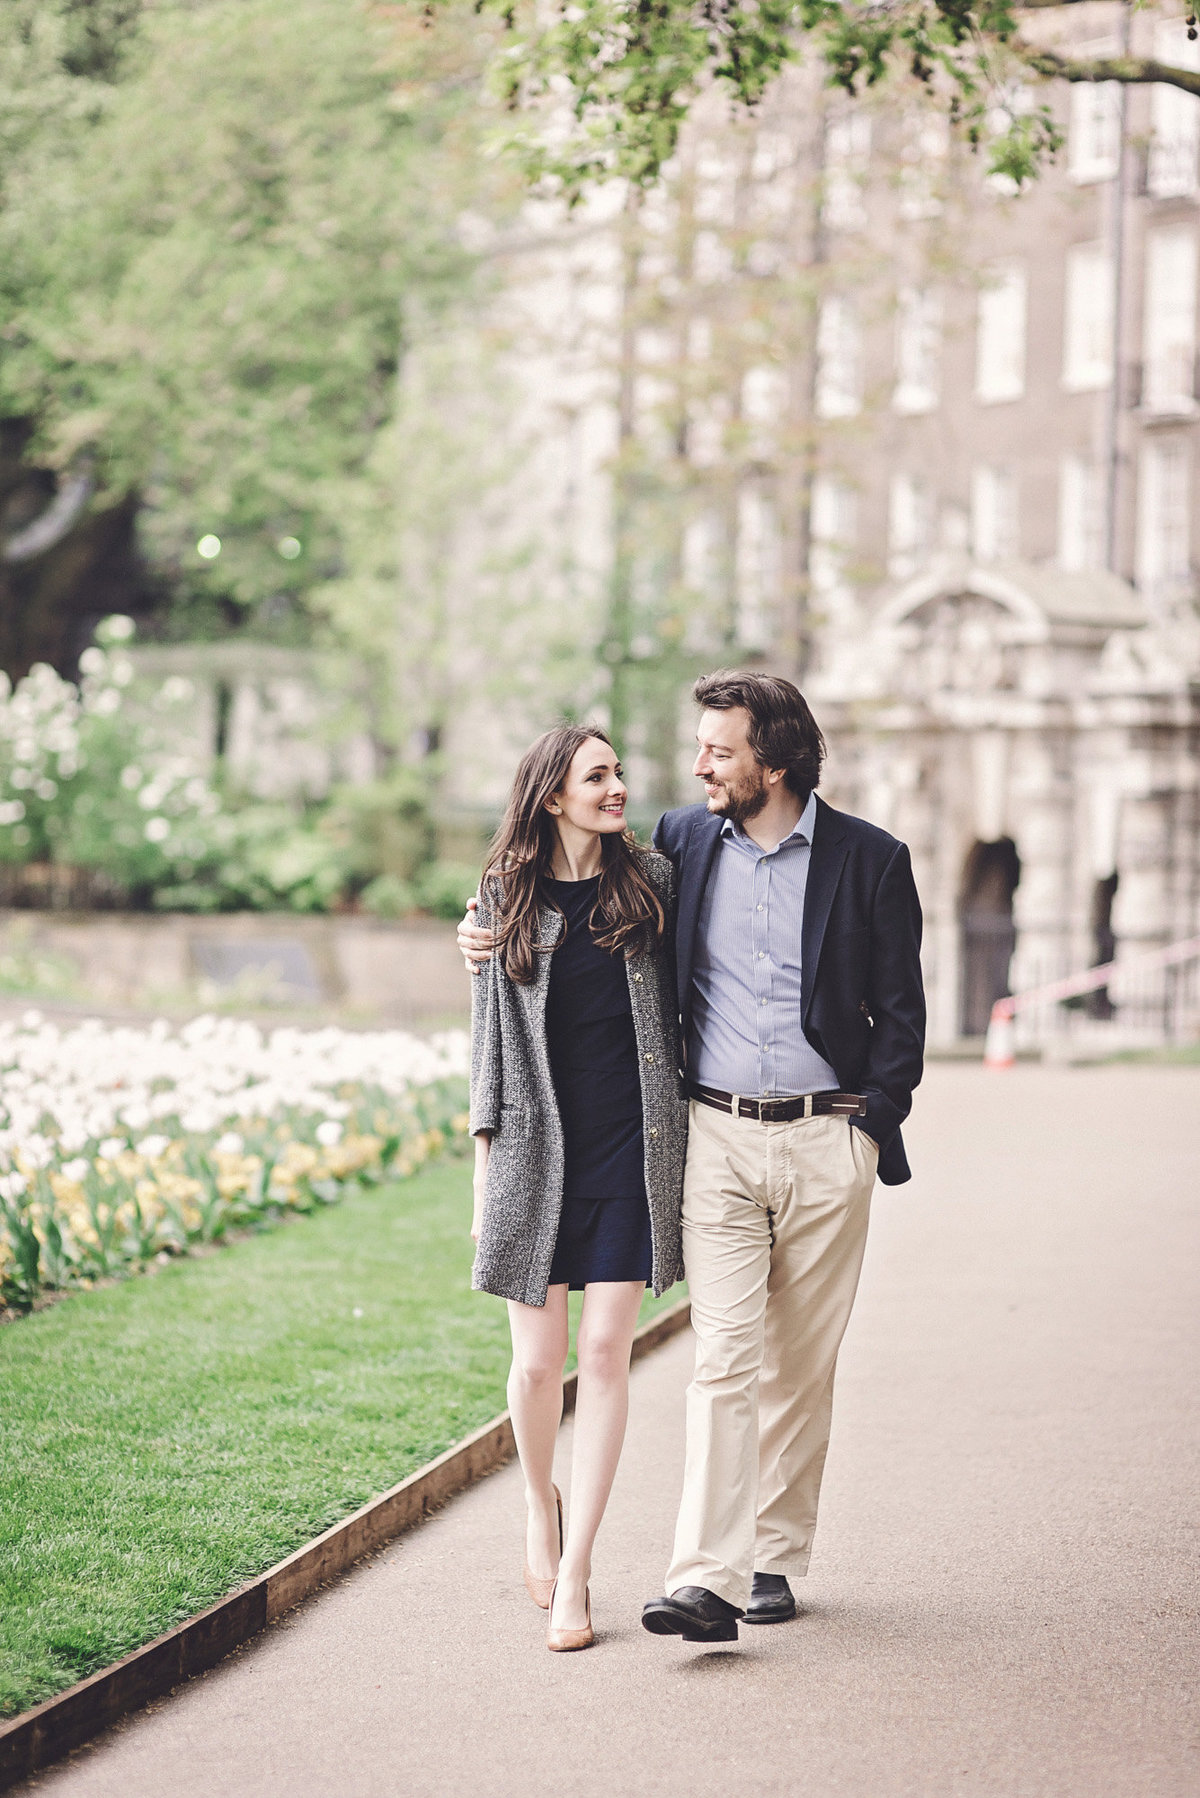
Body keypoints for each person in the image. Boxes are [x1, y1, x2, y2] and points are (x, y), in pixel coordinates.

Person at [461, 672, 925, 1646]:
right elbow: (530, 911)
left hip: (825, 1133)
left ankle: (774, 1554)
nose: (699, 764)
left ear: (777, 759)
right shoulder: (682, 843)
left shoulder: (869, 860)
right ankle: (704, 1576)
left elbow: (903, 1015)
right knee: (721, 1359)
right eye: (702, 747)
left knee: (799, 1363)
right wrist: (478, 931)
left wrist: (870, 1123)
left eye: (720, 749)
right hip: (711, 1134)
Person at [468, 723, 686, 1652]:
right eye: (597, 775)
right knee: (533, 1366)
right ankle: (536, 1504)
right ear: (552, 794)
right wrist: (483, 1179)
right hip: (534, 1153)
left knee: (604, 1354)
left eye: (619, 772)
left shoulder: (653, 885)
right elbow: (486, 1047)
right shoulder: (500, 899)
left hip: (630, 1153)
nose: (618, 787)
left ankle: (581, 1571)